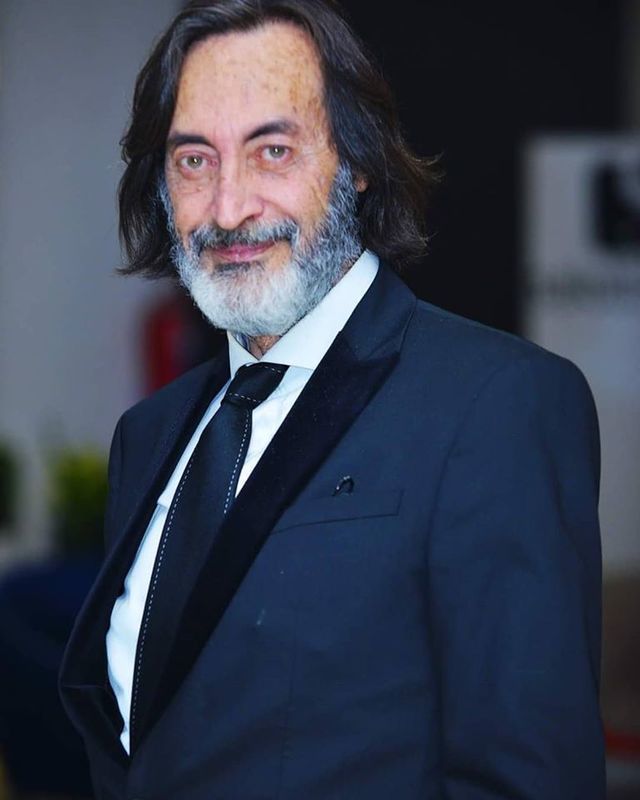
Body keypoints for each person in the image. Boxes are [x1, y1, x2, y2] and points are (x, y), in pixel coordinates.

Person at [59, 1, 606, 798]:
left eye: (273, 151)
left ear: (358, 162)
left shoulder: (497, 406)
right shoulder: (148, 436)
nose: (228, 209)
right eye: (194, 160)